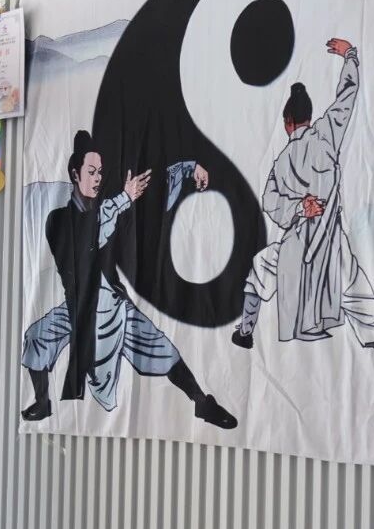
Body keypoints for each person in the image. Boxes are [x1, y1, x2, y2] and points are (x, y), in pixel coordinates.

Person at [231, 38, 374, 413]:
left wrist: (299, 207)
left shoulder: (281, 162)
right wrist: (350, 57)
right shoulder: (326, 134)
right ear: (308, 118)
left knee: (261, 266)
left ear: (287, 123)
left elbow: (270, 201)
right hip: (332, 252)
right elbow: (347, 95)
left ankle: (245, 331)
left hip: (295, 251)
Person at [21, 130, 238, 429]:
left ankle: (202, 402)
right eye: (91, 172)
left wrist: (191, 168)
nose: (98, 178)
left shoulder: (110, 207)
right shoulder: (59, 219)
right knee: (36, 336)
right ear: (75, 174)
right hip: (77, 309)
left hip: (112, 306)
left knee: (164, 351)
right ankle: (42, 401)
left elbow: (155, 189)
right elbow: (89, 236)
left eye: (100, 172)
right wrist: (123, 198)